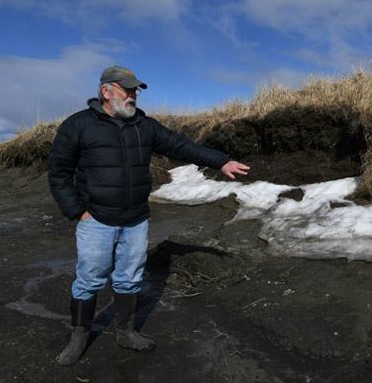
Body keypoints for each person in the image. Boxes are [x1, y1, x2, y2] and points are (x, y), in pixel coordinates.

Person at [47, 66, 249, 366]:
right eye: (127, 89)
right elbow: (59, 173)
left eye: (135, 90)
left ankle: (126, 333)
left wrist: (220, 162)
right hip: (97, 220)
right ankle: (79, 338)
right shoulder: (78, 125)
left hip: (136, 219)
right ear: (106, 91)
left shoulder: (145, 125)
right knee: (90, 279)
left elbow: (182, 147)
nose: (133, 95)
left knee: (129, 279)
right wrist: (78, 211)